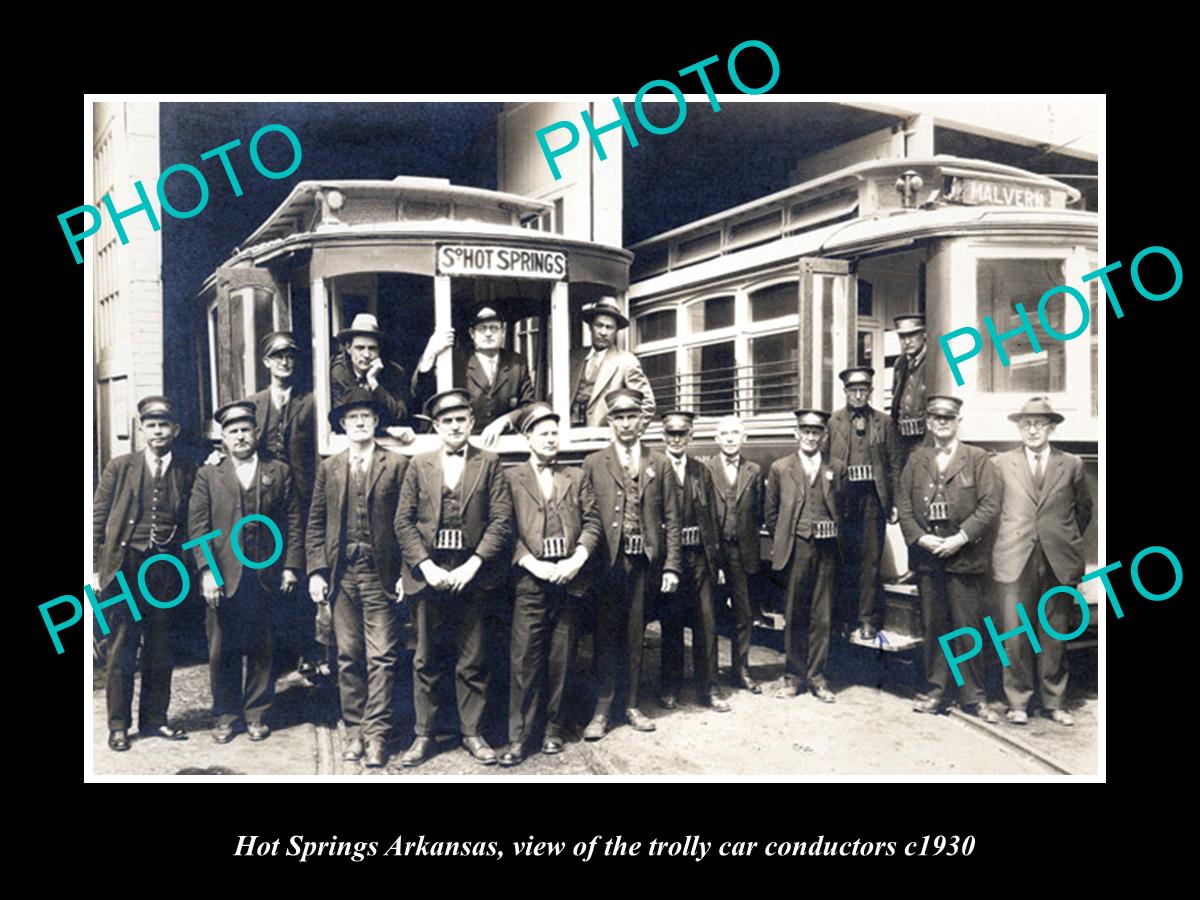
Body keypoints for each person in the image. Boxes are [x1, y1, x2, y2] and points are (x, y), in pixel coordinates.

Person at [393, 389, 514, 768]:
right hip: (430, 571)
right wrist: (425, 566)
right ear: (437, 426)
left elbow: (501, 521)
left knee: (472, 657)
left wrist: (473, 564)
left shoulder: (489, 463)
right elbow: (404, 521)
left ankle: (472, 732)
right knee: (426, 657)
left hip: (472, 574)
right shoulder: (419, 464)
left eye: (461, 419)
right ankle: (423, 736)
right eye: (447, 421)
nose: (455, 426)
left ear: (471, 422)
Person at [187, 400, 304, 744]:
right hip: (223, 575)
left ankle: (257, 713)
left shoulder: (277, 471)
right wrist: (206, 570)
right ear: (222, 437)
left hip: (264, 575)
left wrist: (292, 567)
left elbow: (294, 521)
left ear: (256, 433)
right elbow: (198, 526)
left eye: (245, 429)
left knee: (261, 645)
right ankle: (225, 715)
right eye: (232, 431)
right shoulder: (209, 474)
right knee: (221, 648)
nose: (240, 436)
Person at [306, 388, 408, 767]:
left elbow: (407, 523)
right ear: (343, 425)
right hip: (341, 575)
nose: (360, 422)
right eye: (352, 418)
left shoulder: (396, 465)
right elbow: (316, 523)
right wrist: (316, 570)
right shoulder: (330, 467)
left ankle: (377, 734)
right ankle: (353, 730)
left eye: (366, 416)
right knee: (348, 656)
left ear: (376, 422)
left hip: (380, 574)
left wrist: (403, 572)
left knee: (382, 655)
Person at [501, 403, 603, 765]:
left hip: (569, 581)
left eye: (554, 433)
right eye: (543, 434)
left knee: (561, 659)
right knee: (525, 659)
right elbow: (505, 530)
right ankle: (518, 738)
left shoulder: (575, 476)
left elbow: (593, 524)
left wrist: (576, 560)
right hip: (530, 582)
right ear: (527, 438)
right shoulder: (510, 477)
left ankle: (553, 730)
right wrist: (532, 564)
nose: (550, 440)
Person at [92, 396, 195, 752]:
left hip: (165, 568)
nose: (157, 431)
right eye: (151, 425)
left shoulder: (187, 469)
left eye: (164, 425)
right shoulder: (119, 467)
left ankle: (155, 720)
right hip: (125, 565)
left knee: (160, 645)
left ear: (175, 430)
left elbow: (193, 520)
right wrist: (94, 569)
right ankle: (119, 725)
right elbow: (98, 520)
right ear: (141, 429)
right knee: (121, 645)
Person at [580, 389, 681, 740]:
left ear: (643, 421)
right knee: (606, 635)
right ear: (611, 422)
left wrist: (671, 566)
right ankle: (603, 708)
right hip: (608, 564)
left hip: (644, 565)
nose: (626, 424)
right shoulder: (594, 463)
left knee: (637, 635)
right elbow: (587, 516)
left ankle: (633, 704)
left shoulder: (660, 462)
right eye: (619, 417)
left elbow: (672, 518)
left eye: (631, 417)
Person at [897, 395, 1001, 722]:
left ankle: (974, 697)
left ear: (958, 421)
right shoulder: (917, 458)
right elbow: (904, 505)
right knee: (935, 625)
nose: (942, 424)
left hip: (964, 557)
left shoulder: (977, 458)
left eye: (948, 418)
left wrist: (959, 538)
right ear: (928, 423)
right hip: (929, 559)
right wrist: (922, 538)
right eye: (936, 419)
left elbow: (989, 506)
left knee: (967, 627)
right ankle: (936, 691)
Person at [991, 397, 1092, 727]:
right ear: (1018, 429)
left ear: (1051, 428)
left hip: (1057, 559)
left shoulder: (1071, 464)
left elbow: (1083, 511)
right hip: (1016, 557)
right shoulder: (1002, 464)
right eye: (1026, 424)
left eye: (1038, 424)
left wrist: (1060, 540)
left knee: (1054, 633)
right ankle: (1018, 701)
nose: (1032, 430)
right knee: (1016, 633)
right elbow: (993, 513)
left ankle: (1054, 702)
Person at [248, 330, 328, 685]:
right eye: (278, 356)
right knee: (271, 577)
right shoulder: (253, 404)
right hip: (268, 506)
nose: (284, 362)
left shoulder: (311, 402)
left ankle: (307, 656)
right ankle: (274, 664)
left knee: (303, 576)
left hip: (305, 500)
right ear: (266, 362)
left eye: (290, 356)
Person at [765, 409, 846, 704]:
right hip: (796, 549)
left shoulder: (836, 467)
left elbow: (843, 508)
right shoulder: (779, 468)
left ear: (823, 436)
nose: (811, 437)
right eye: (806, 432)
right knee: (795, 614)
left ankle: (818, 678)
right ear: (796, 434)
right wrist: (788, 538)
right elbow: (771, 514)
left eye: (816, 432)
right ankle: (792, 677)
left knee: (822, 617)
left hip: (826, 551)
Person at [659, 410, 730, 713]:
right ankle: (670, 686)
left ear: (690, 436)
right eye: (671, 434)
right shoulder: (656, 467)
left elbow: (712, 518)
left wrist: (718, 563)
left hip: (700, 557)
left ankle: (710, 688)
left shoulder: (702, 472)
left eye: (682, 434)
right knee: (671, 623)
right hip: (668, 560)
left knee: (706, 622)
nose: (677, 439)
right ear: (664, 436)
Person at [828, 367, 900, 641]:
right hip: (843, 501)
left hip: (872, 499)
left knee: (870, 560)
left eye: (863, 390)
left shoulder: (884, 422)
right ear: (845, 392)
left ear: (870, 392)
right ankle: (844, 617)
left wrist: (892, 502)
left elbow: (894, 464)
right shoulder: (833, 423)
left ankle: (867, 619)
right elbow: (825, 464)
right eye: (852, 390)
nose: (858, 395)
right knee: (844, 559)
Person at [413, 304, 535, 447]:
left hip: (503, 443)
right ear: (472, 334)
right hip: (462, 444)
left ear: (503, 332)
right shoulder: (455, 361)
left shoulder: (516, 363)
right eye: (482, 329)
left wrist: (505, 420)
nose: (488, 333)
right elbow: (421, 392)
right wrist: (430, 353)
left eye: (494, 328)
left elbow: (528, 405)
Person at [704, 415, 765, 693]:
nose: (730, 438)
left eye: (735, 433)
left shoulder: (754, 470)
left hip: (743, 552)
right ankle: (711, 674)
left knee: (743, 612)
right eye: (724, 433)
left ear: (745, 438)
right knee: (712, 614)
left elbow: (760, 513)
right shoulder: (705, 470)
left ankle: (741, 670)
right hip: (714, 552)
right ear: (717, 439)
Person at [570, 298, 655, 426]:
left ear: (616, 331)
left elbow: (647, 404)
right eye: (599, 325)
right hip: (568, 435)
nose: (603, 332)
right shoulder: (573, 357)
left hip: (604, 438)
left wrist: (626, 434)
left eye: (609, 327)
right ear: (590, 327)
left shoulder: (626, 361)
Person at [329, 313, 410, 427]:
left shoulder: (394, 373)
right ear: (348, 348)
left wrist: (374, 383)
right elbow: (342, 420)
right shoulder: (338, 373)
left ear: (379, 350)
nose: (366, 355)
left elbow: (400, 415)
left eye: (372, 348)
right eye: (360, 348)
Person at [890, 314, 929, 471]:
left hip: (927, 440)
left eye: (912, 335)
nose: (907, 342)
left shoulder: (934, 360)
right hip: (902, 440)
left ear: (924, 335)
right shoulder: (900, 364)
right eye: (902, 337)